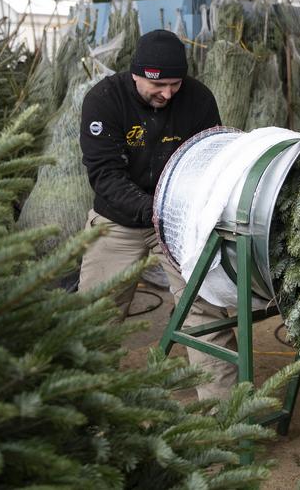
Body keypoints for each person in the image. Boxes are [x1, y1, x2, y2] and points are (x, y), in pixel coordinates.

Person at [79, 29, 238, 401]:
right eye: (159, 85)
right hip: (118, 221)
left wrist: (186, 213)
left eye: (175, 84)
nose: (168, 93)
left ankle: (226, 413)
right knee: (96, 313)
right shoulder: (104, 100)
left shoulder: (197, 100)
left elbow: (211, 158)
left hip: (178, 224)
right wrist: (152, 209)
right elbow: (105, 176)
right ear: (137, 74)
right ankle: (89, 405)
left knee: (203, 308)